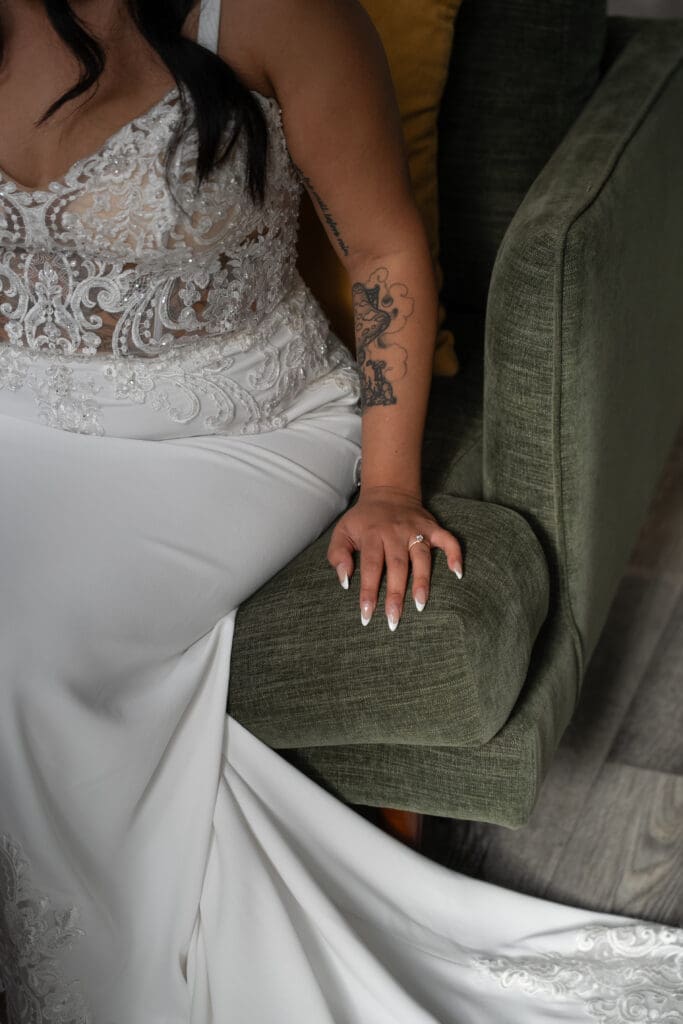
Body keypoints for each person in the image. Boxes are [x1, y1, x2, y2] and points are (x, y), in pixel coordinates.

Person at [0, 0, 679, 1020]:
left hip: (234, 426)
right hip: (20, 411)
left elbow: (383, 252)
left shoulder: (273, 13)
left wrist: (390, 488)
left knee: (23, 640)